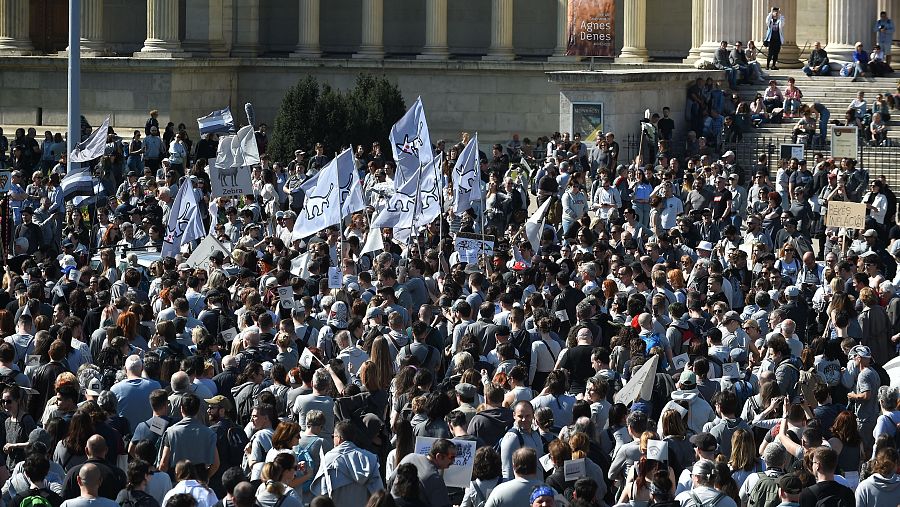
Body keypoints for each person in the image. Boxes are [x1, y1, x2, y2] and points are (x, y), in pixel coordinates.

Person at [311, 421, 383, 504]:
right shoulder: (370, 458)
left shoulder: (329, 459)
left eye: (333, 436)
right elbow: (379, 493)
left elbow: (321, 492)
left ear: (339, 438)